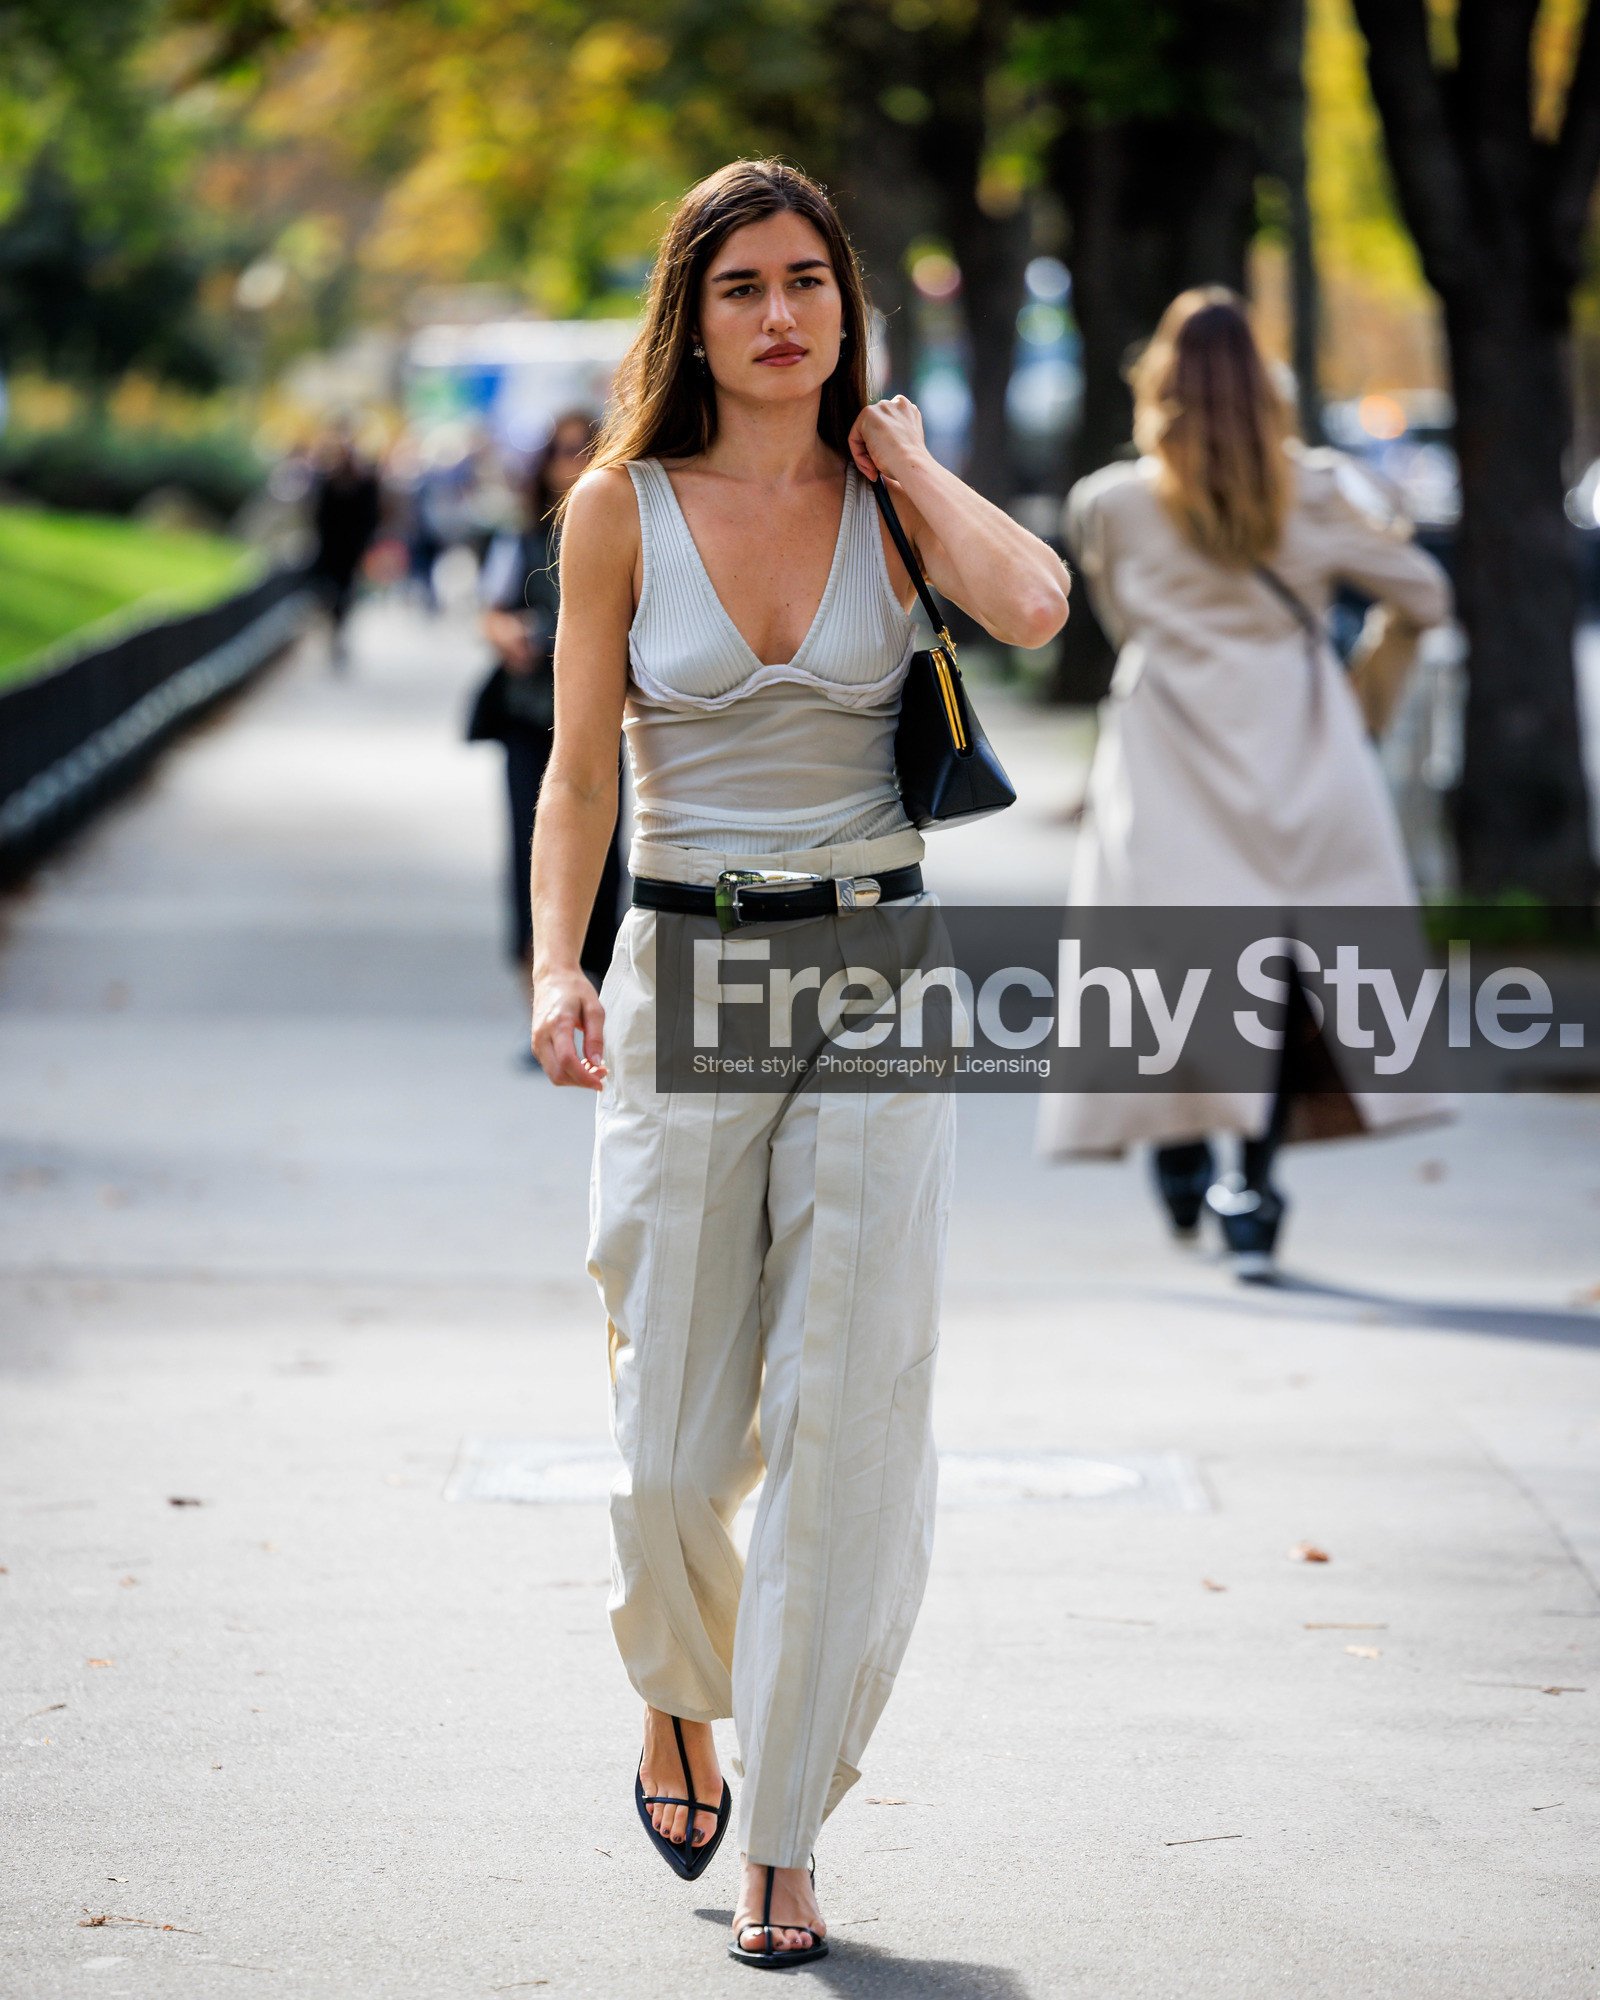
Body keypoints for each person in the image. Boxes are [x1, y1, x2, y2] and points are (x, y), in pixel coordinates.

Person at [528, 159, 1069, 1966]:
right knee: (671, 1437)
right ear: (694, 312)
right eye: (746, 286)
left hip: (877, 963)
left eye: (810, 285)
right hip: (684, 965)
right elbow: (581, 771)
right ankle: (677, 1687)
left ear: (848, 305)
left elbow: (1041, 605)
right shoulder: (619, 505)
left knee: (846, 1403)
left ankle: (785, 1829)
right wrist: (555, 964)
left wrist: (904, 465)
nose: (781, 318)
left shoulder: (888, 496)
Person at [1038, 287, 1453, 1275]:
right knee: (1282, 971)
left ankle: (1178, 1152)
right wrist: (1364, 685)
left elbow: (1118, 622)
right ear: (1266, 391)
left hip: (1166, 748)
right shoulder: (1313, 490)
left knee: (1166, 964)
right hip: (1299, 747)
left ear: (1159, 388)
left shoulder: (1110, 502)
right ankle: (1253, 1186)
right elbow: (1424, 596)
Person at [471, 414, 621, 988]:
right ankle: (542, 981)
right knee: (529, 844)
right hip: (531, 711)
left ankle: (599, 977)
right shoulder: (523, 535)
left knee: (605, 850)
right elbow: (491, 611)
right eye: (562, 450)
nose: (573, 462)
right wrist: (509, 633)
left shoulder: (626, 527)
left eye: (586, 450)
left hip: (604, 717)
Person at [310, 432, 381, 663]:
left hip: (349, 548)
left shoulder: (364, 483)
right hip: (335, 547)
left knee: (344, 591)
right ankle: (336, 626)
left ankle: (338, 627)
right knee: (336, 591)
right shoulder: (328, 482)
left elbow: (372, 516)